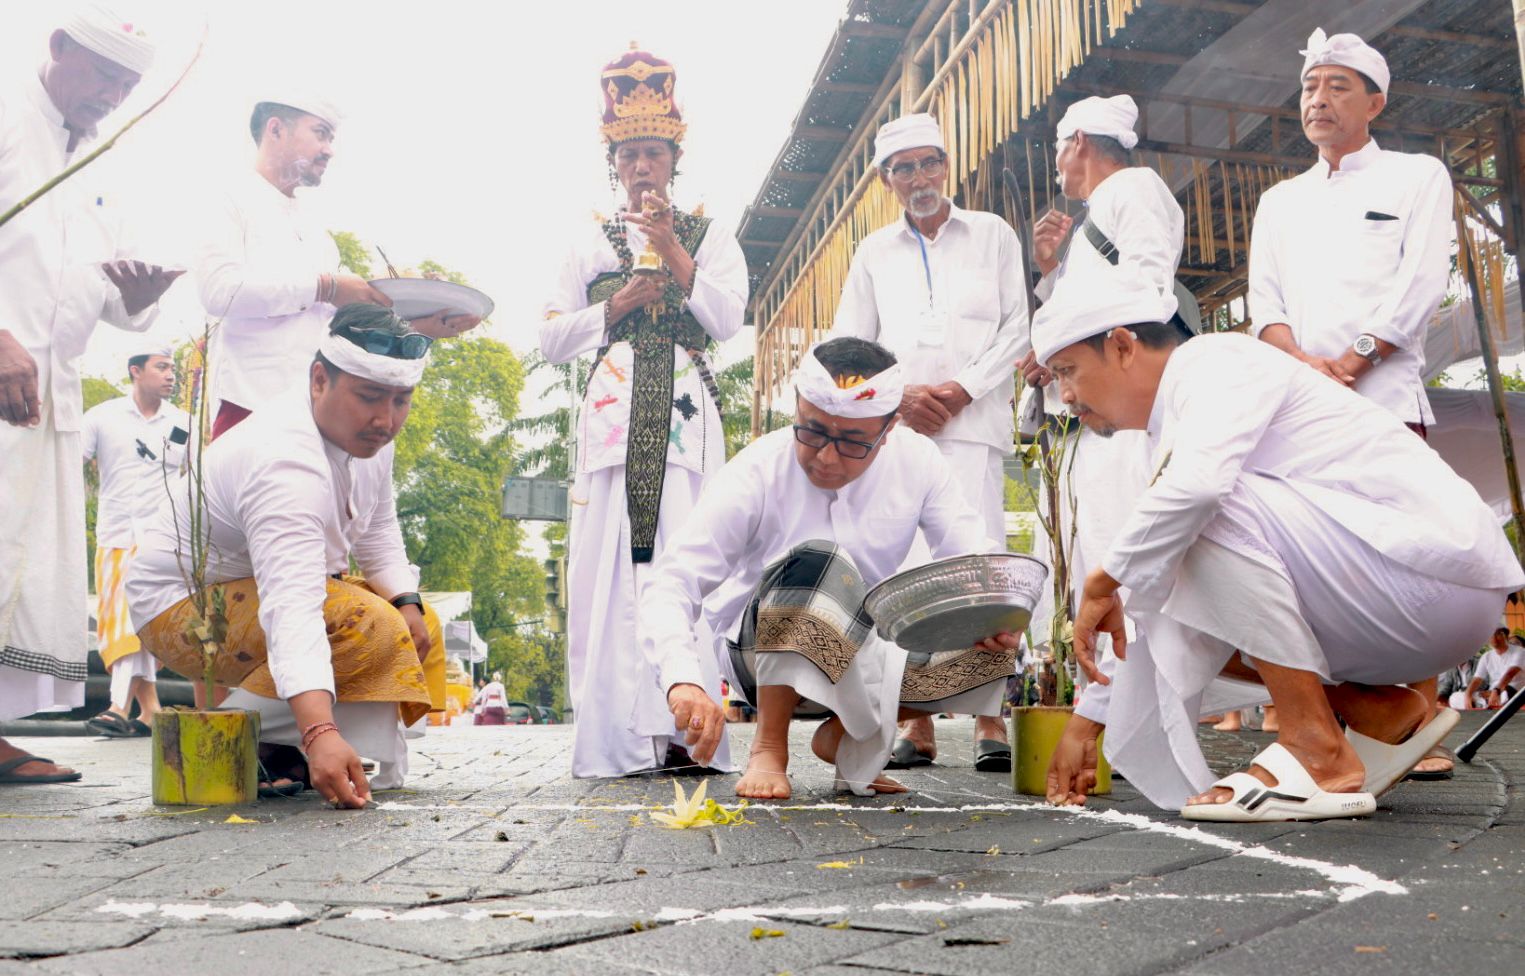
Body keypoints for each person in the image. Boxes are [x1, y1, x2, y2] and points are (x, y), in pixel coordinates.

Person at [1033, 274, 1522, 821]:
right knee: (1170, 564)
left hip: (1438, 580)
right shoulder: (1171, 430)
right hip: (1398, 600)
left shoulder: (1213, 361)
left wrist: (1105, 579)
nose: (1065, 397)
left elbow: (1200, 490)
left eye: (1067, 371)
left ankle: (1315, 747)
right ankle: (1380, 710)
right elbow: (1165, 603)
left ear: (1122, 345)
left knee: (1193, 514)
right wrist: (1088, 720)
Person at [639, 337, 1021, 800]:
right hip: (759, 660)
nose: (826, 456)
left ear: (888, 430)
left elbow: (970, 558)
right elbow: (673, 580)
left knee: (995, 647)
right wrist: (683, 679)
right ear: (797, 407)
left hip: (861, 658)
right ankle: (769, 746)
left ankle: (847, 736)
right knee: (818, 561)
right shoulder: (759, 468)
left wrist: (997, 613)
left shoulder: (918, 460)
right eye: (814, 432)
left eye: (853, 442)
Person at [127, 305, 447, 806]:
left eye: (401, 400)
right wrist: (319, 731)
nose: (386, 420)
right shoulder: (284, 462)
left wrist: (408, 600)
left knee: (416, 622)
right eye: (368, 397)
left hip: (252, 598)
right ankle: (226, 739)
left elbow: (379, 529)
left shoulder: (371, 438)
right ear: (319, 380)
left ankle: (275, 742)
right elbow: (292, 605)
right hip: (181, 610)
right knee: (368, 624)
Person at [1247, 28, 1458, 778]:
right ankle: (1343, 714)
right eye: (1310, 86)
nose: (1319, 99)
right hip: (1298, 405)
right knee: (1308, 559)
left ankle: (1420, 722)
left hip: (1384, 392)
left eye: (1338, 86)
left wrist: (1354, 358)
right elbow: (1261, 301)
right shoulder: (1278, 200)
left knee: (1410, 553)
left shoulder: (1415, 176)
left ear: (1375, 100)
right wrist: (1305, 367)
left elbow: (1421, 282)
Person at [540, 47, 747, 779]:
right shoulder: (587, 241)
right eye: (629, 154)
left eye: (653, 152)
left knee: (686, 550)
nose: (641, 166)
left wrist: (670, 252)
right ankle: (618, 739)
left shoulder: (709, 235)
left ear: (672, 159)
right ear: (614, 162)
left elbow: (728, 320)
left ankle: (685, 728)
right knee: (611, 559)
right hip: (613, 408)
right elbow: (547, 336)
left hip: (685, 410)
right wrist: (616, 304)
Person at [0, 6, 184, 786]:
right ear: (58, 49)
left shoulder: (100, 166)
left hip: (52, 396)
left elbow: (106, 298)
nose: (113, 96)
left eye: (127, 85)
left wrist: (140, 297)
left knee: (20, 569)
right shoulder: (8, 125)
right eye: (105, 76)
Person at [831, 113, 1028, 772]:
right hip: (899, 439)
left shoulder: (992, 235)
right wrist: (899, 398)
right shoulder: (871, 254)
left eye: (927, 163)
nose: (918, 178)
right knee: (903, 572)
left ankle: (988, 724)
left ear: (947, 166)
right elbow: (848, 347)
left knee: (979, 566)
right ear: (886, 181)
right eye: (903, 168)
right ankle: (913, 725)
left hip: (971, 431)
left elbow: (1016, 329)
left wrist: (963, 389)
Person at [195, 92, 478, 439]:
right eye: (320, 133)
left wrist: (421, 323)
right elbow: (219, 292)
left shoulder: (318, 234)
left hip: (320, 415)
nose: (329, 149)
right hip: (252, 410)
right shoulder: (228, 199)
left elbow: (333, 332)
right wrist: (328, 287)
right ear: (275, 129)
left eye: (331, 137)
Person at [81, 341, 189, 737]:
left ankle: (117, 707)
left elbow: (196, 481)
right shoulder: (102, 417)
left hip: (163, 541)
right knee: (121, 621)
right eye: (161, 367)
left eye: (172, 368)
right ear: (135, 370)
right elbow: (68, 463)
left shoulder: (183, 422)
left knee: (141, 621)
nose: (170, 375)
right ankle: (150, 711)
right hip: (116, 536)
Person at [1451, 628, 1524, 710]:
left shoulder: (1520, 651)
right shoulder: (1486, 656)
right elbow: (1477, 679)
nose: (1494, 638)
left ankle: (1482, 703)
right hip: (1492, 693)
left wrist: (1496, 690)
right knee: (1454, 697)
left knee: (1505, 694)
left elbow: (1510, 674)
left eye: (1498, 634)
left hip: (1513, 691)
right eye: (1490, 635)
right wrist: (1468, 695)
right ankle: (1484, 703)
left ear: (1506, 636)